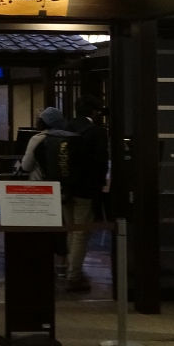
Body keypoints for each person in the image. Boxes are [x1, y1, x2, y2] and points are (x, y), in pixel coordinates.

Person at [62, 95, 110, 293]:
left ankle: (72, 269)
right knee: (81, 233)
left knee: (71, 230)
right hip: (86, 189)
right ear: (94, 112)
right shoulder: (96, 132)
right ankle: (74, 276)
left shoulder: (65, 127)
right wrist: (101, 184)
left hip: (64, 188)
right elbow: (100, 163)